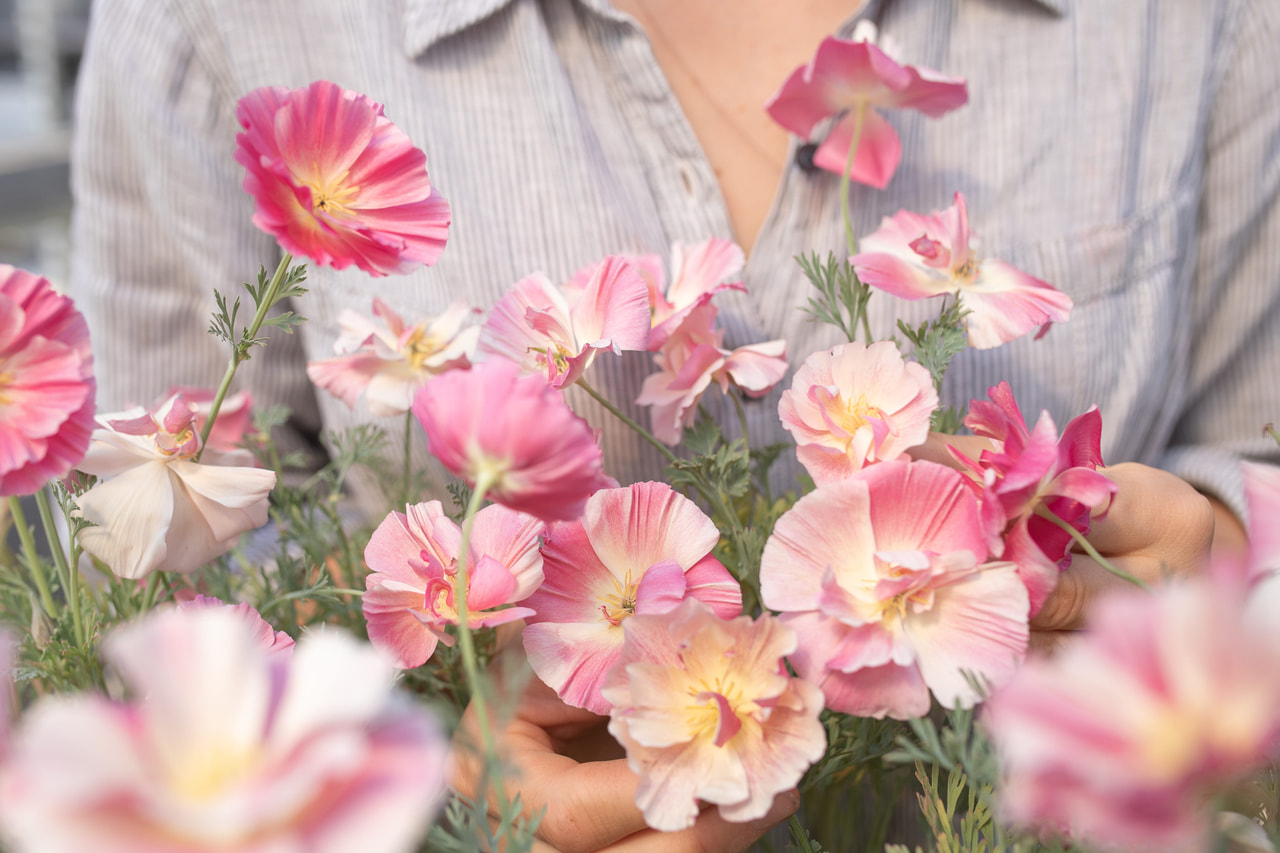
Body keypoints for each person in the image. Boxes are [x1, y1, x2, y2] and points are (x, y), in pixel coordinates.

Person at [69, 0, 1278, 848]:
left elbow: (1257, 451)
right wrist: (428, 774)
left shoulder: (1198, 19)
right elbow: (163, 577)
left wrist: (1219, 546)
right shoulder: (212, 21)